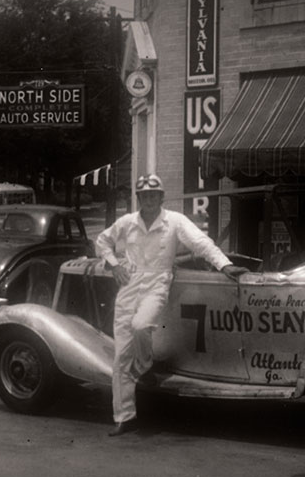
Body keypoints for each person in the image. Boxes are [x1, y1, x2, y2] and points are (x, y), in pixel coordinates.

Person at [95, 174, 248, 436]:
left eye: (154, 195)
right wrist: (114, 265)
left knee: (142, 325)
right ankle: (124, 416)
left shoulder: (175, 221)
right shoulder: (127, 222)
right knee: (121, 355)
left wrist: (224, 264)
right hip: (129, 285)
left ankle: (144, 365)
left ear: (161, 197)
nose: (150, 200)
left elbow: (200, 243)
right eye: (144, 195)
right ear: (139, 198)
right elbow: (102, 241)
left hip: (157, 282)